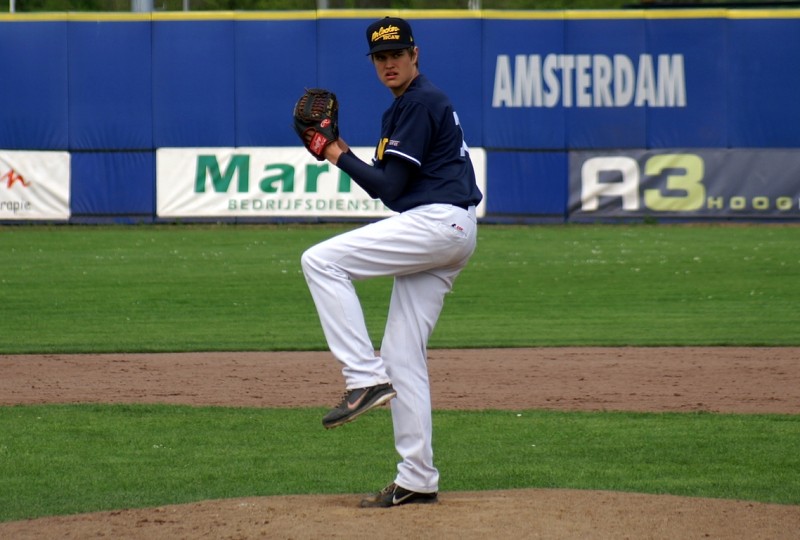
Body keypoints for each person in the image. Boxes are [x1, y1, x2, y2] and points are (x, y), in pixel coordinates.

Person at [300, 16, 483, 508]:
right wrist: (341, 150)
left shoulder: (420, 102)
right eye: (380, 57)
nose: (389, 63)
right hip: (447, 228)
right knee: (402, 356)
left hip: (438, 224)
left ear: (414, 54)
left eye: (397, 54)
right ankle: (417, 478)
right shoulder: (405, 108)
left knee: (320, 261)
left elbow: (388, 187)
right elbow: (392, 192)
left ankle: (363, 379)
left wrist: (333, 151)